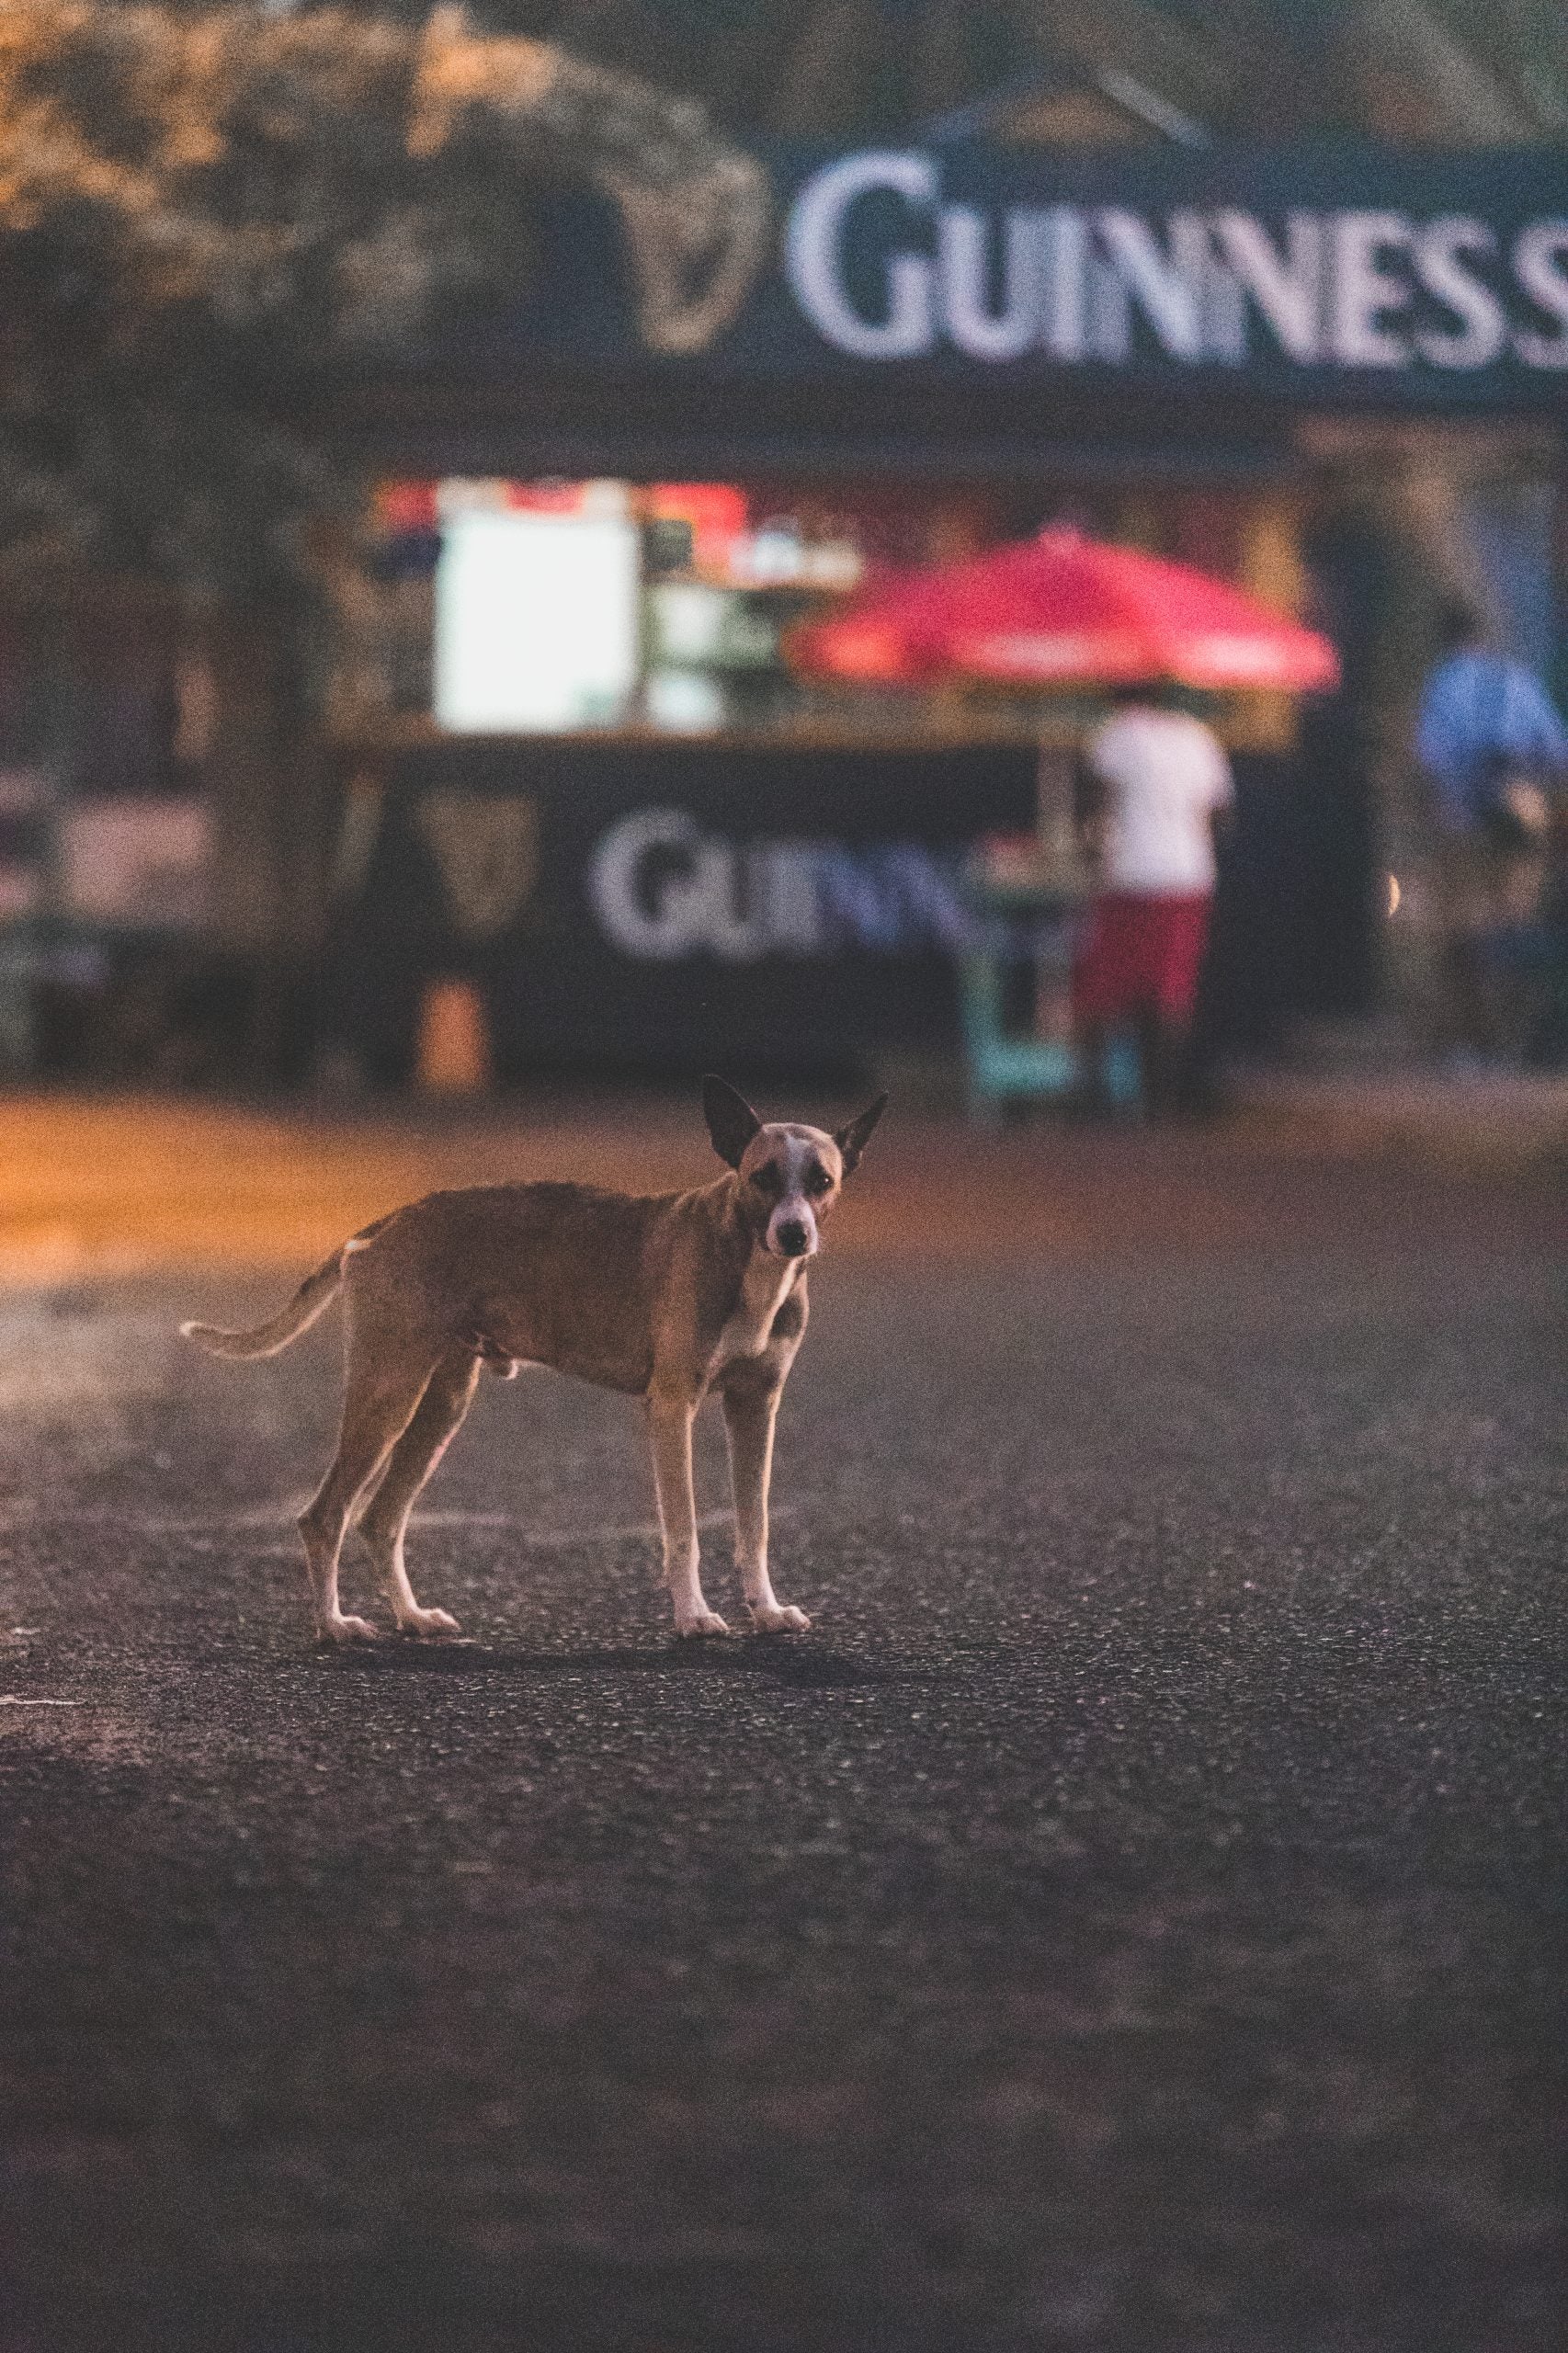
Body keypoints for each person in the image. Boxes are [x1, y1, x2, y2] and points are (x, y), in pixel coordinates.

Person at [1415, 600, 1568, 1066]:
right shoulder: (1513, 683)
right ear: (1485, 634)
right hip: (1516, 832)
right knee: (1514, 932)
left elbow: (1426, 757)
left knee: (1462, 935)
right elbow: (1558, 752)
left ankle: (1467, 1043)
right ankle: (1514, 1039)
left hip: (1459, 832)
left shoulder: (1440, 685)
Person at [1072, 682, 1233, 1118]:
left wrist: (1090, 850)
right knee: (1169, 992)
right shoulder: (1200, 738)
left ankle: (1094, 1100)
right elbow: (1219, 816)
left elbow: (1095, 807)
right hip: (1187, 877)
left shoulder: (1117, 735)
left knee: (1103, 990)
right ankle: (1162, 1101)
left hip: (1128, 876)